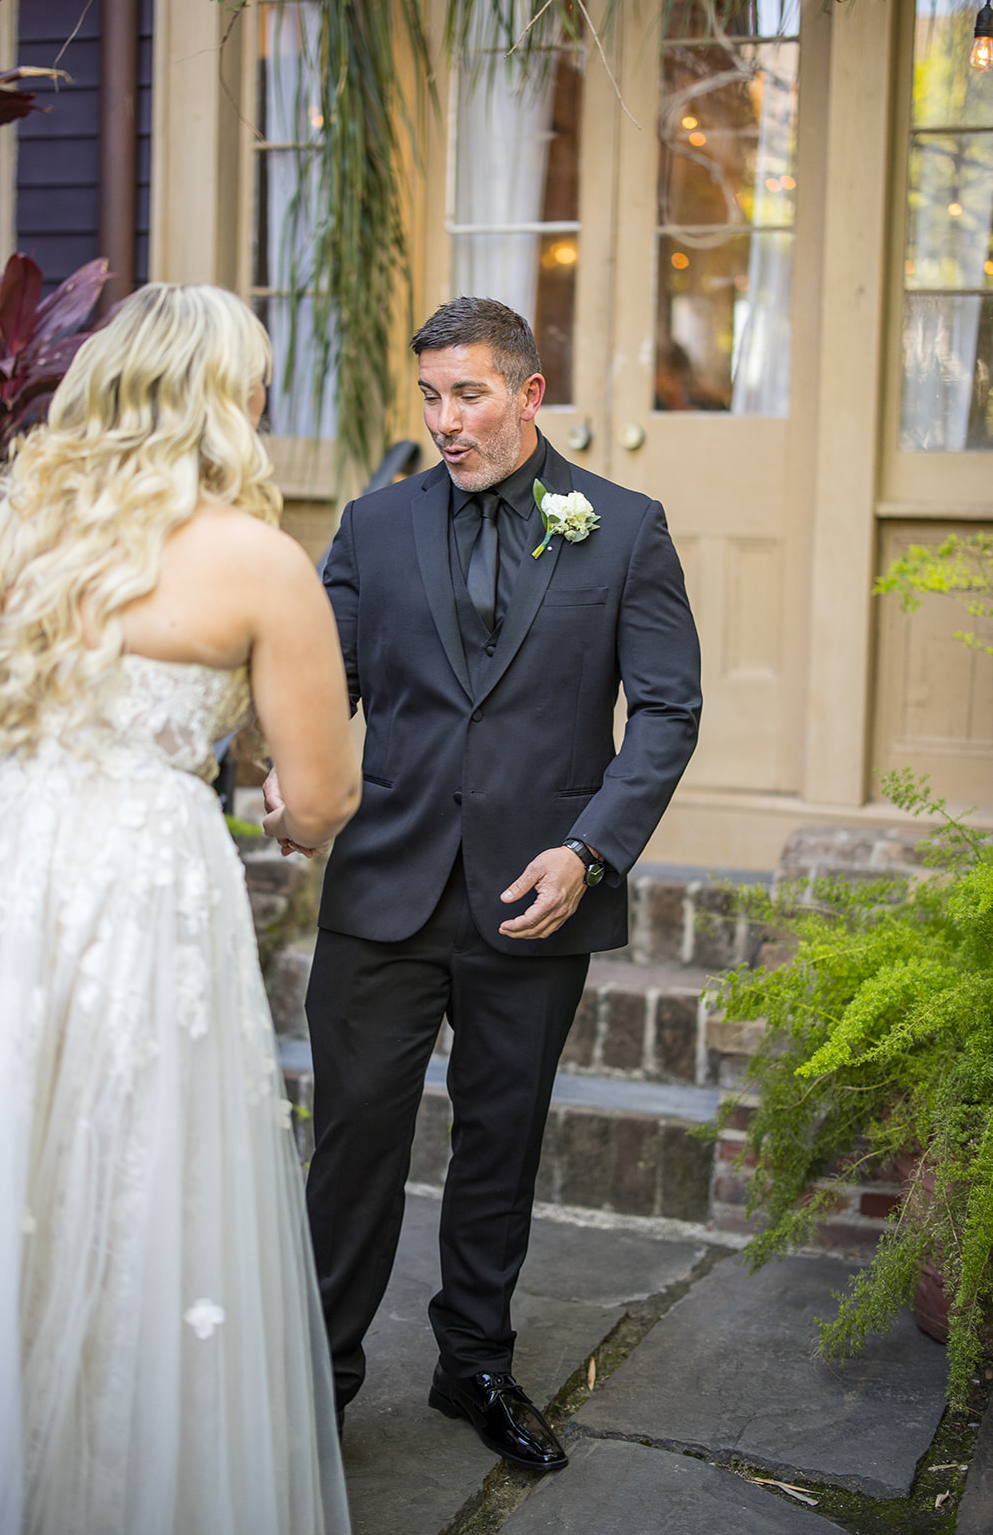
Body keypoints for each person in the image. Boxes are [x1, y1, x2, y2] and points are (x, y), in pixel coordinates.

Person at [0, 284, 360, 1534]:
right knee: (131, 1188)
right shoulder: (257, 561)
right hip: (134, 896)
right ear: (228, 400)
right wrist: (283, 805)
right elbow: (322, 800)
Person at [264, 297, 702, 1471]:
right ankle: (322, 1380)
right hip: (385, 892)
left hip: (535, 891)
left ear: (526, 393)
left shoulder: (622, 527)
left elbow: (666, 707)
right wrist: (278, 769)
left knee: (499, 1144)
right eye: (429, 398)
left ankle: (474, 1368)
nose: (445, 422)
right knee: (352, 1142)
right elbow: (323, 676)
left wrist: (590, 848)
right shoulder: (370, 524)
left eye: (466, 395)